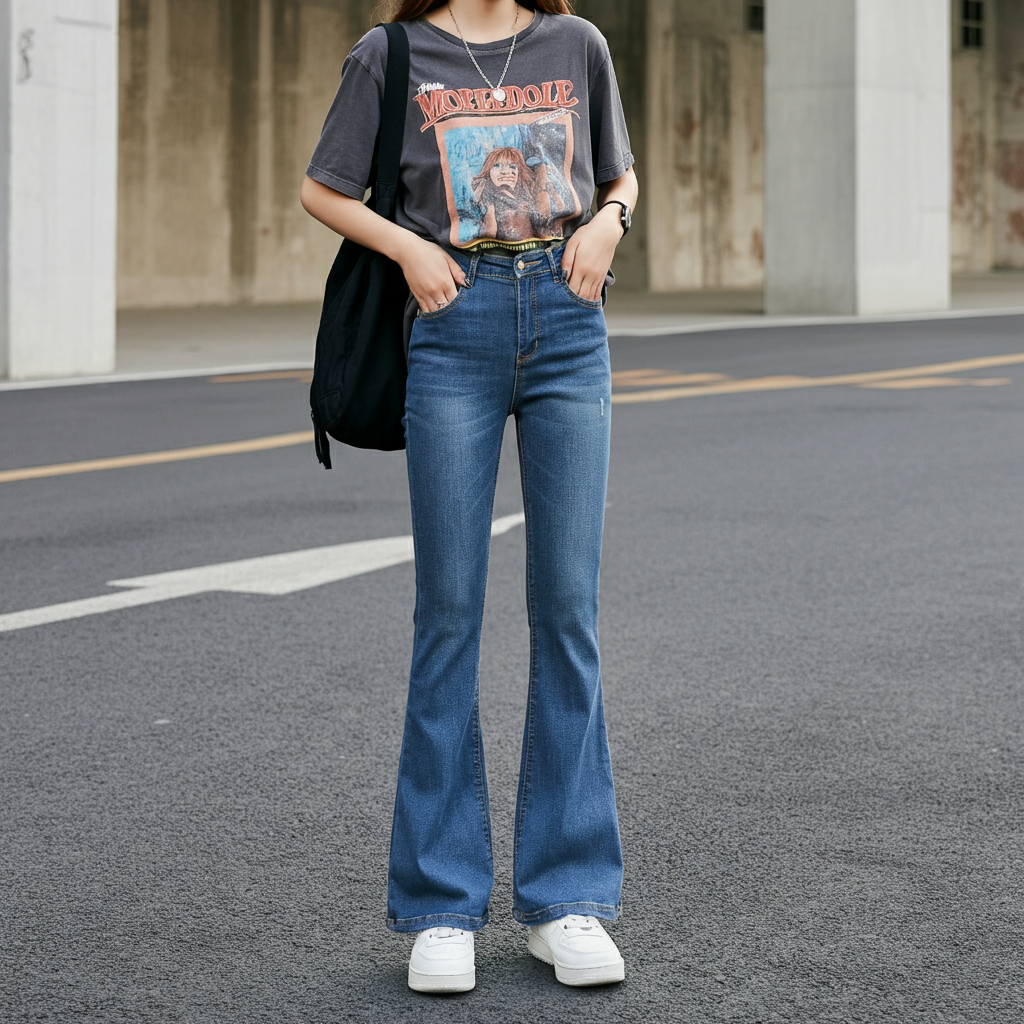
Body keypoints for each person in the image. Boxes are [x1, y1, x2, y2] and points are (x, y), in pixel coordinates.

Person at [300, 0, 638, 994]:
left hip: (570, 325)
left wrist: (610, 224)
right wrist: (406, 248)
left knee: (567, 613)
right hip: (450, 321)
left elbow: (617, 171)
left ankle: (566, 897)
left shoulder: (577, 45)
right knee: (447, 615)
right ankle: (442, 903)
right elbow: (324, 187)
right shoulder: (392, 53)